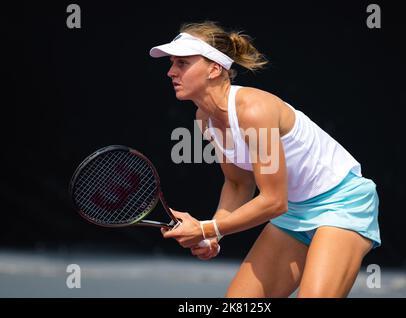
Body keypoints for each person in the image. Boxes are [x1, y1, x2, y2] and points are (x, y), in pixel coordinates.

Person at [149, 21, 380, 298]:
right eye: (173, 63)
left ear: (214, 69)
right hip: (294, 214)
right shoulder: (204, 119)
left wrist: (204, 227)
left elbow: (273, 200)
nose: (171, 71)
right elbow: (238, 184)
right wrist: (213, 234)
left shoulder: (254, 111)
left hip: (342, 203)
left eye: (183, 63)